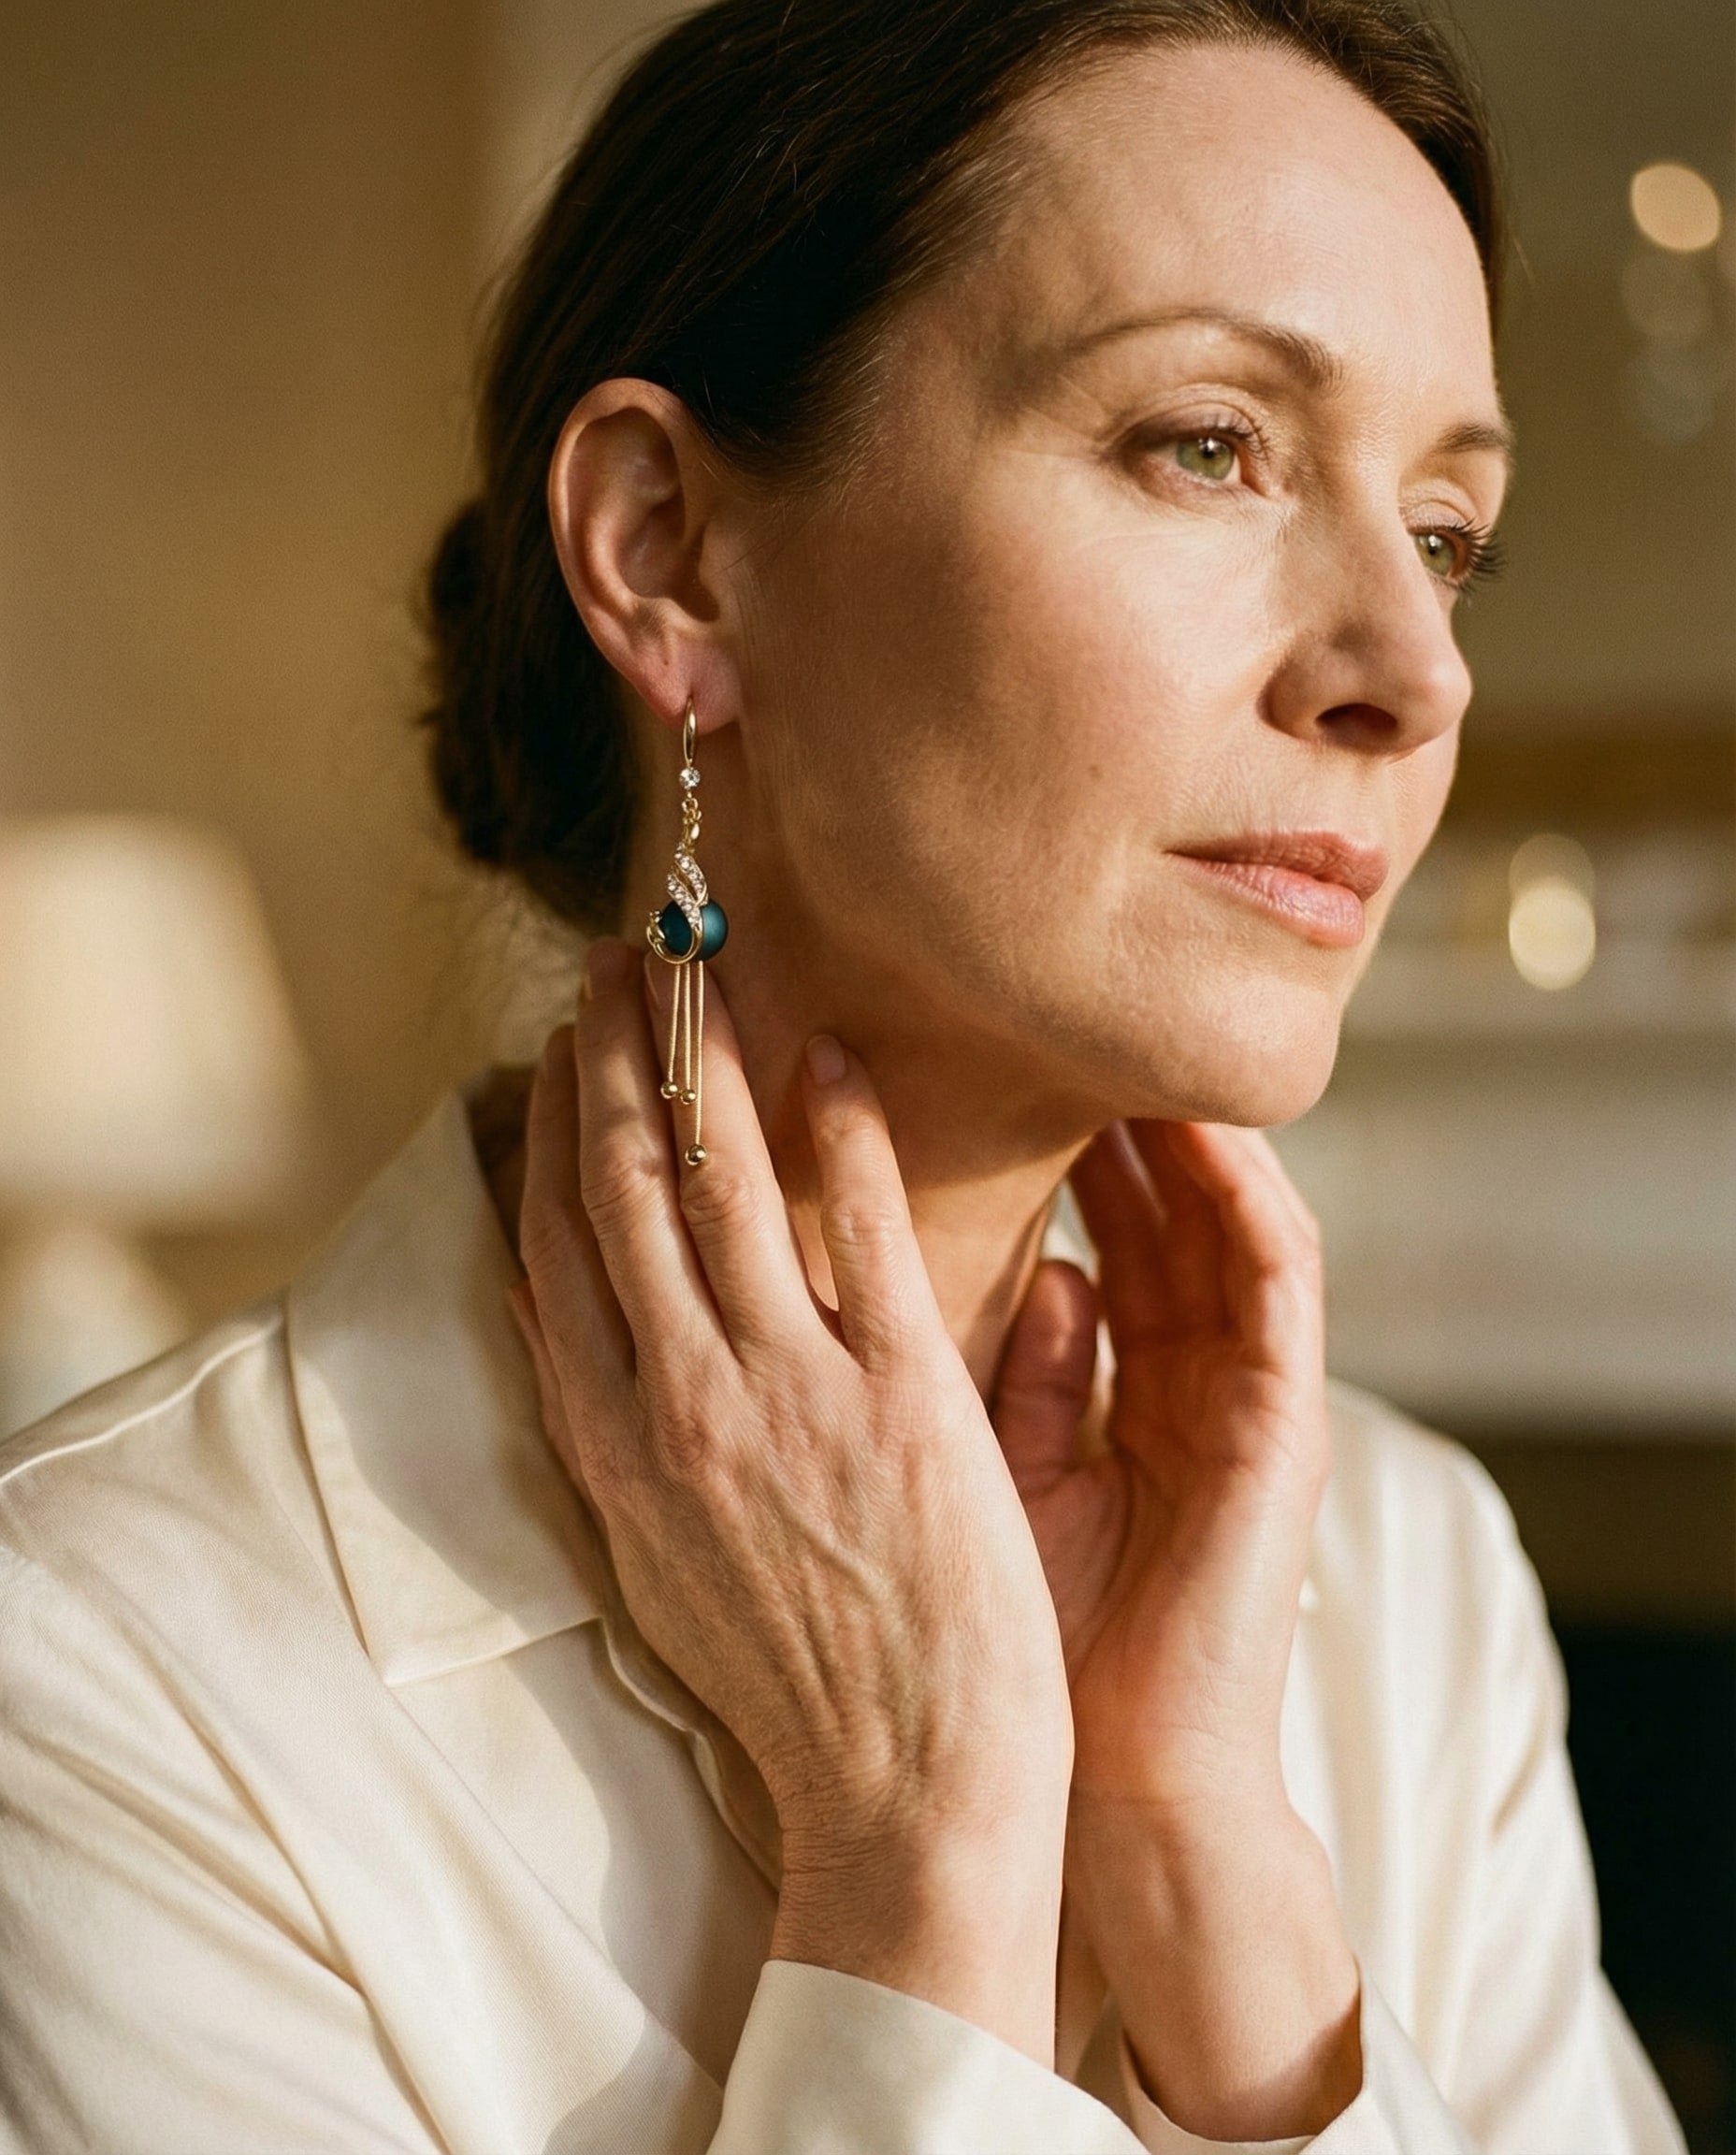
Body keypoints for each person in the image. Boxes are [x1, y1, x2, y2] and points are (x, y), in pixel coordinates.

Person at [0, 2, 1691, 2149]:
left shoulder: (1414, 1582)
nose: (1413, 667)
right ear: (670, 549)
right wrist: (918, 1854)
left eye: (1451, 531)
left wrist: (1205, 1872)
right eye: (1208, 443)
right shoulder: (86, 1678)